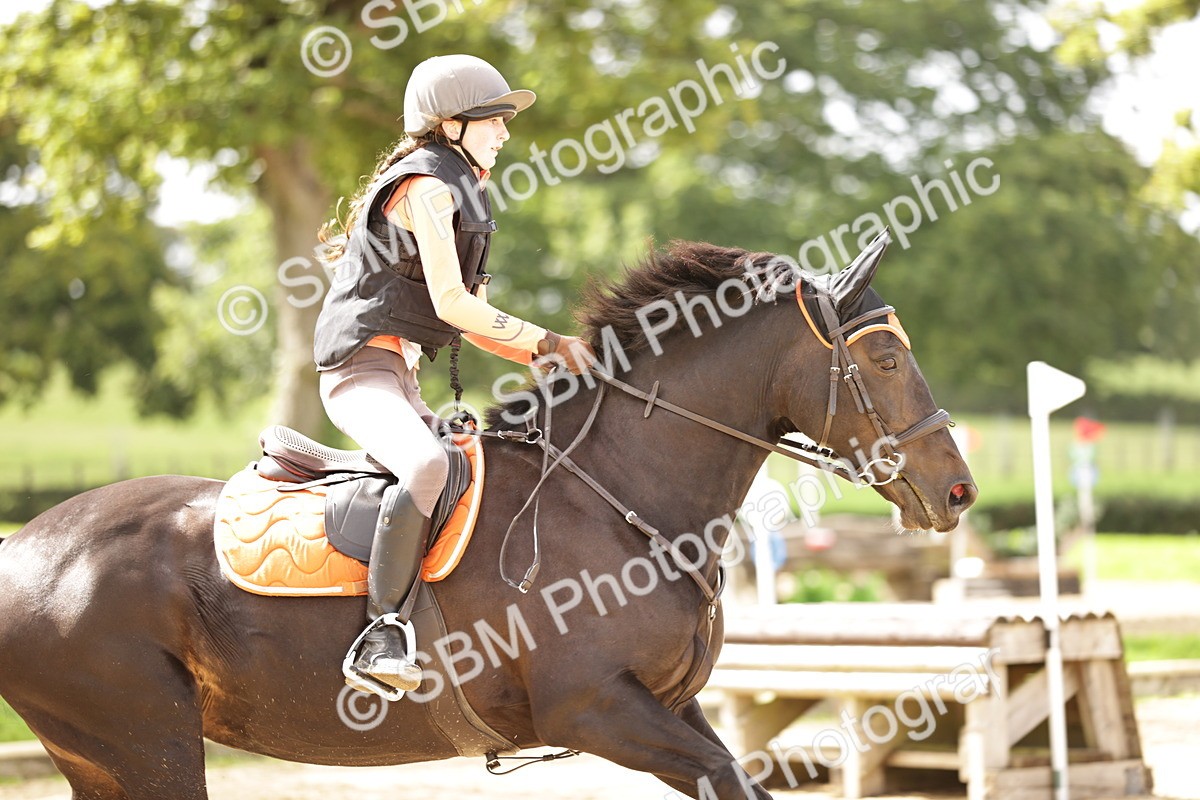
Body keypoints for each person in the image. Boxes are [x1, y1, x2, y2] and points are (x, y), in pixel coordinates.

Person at [313, 54, 596, 692]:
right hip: (358, 373)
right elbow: (453, 306)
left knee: (480, 472)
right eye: (491, 120)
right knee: (426, 466)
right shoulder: (427, 187)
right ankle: (379, 633)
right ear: (449, 125)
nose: (503, 131)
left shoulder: (463, 189)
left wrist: (555, 357)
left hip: (398, 377)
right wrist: (551, 341)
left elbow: (471, 322)